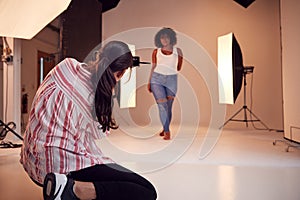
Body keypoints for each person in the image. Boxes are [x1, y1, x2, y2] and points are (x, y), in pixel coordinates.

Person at [20, 41, 157, 200]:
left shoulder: (66, 65)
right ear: (120, 74)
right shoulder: (97, 98)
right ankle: (74, 190)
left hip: (33, 161)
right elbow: (99, 134)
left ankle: (65, 186)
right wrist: (109, 92)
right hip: (59, 166)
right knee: (146, 191)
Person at [148, 28, 183, 140]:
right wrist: (149, 82)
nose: (164, 39)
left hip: (172, 80)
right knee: (162, 106)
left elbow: (178, 67)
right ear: (159, 39)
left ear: (171, 38)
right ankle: (167, 131)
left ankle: (165, 127)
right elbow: (153, 67)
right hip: (156, 80)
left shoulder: (178, 51)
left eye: (167, 37)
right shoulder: (155, 52)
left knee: (168, 107)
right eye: (162, 37)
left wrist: (170, 72)